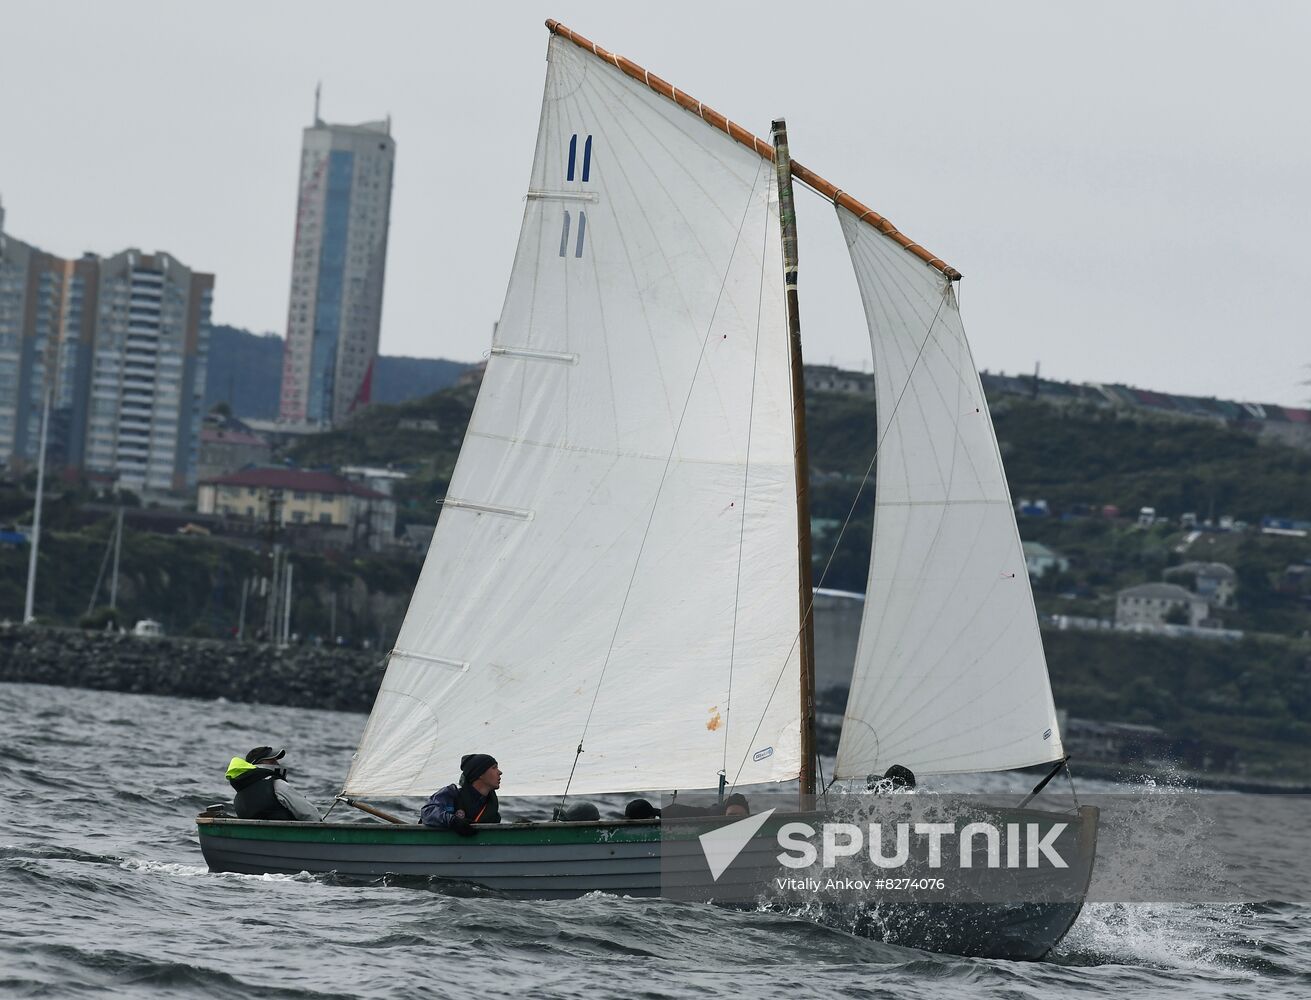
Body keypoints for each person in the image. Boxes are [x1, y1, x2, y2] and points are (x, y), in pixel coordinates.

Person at [225, 746, 320, 822]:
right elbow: (310, 814)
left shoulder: (238, 796)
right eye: (272, 761)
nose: (277, 763)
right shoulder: (277, 784)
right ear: (258, 764)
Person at [420, 754, 502, 836]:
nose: (500, 772)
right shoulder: (452, 793)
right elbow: (427, 812)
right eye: (494, 768)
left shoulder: (491, 806)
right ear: (480, 773)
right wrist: (453, 821)